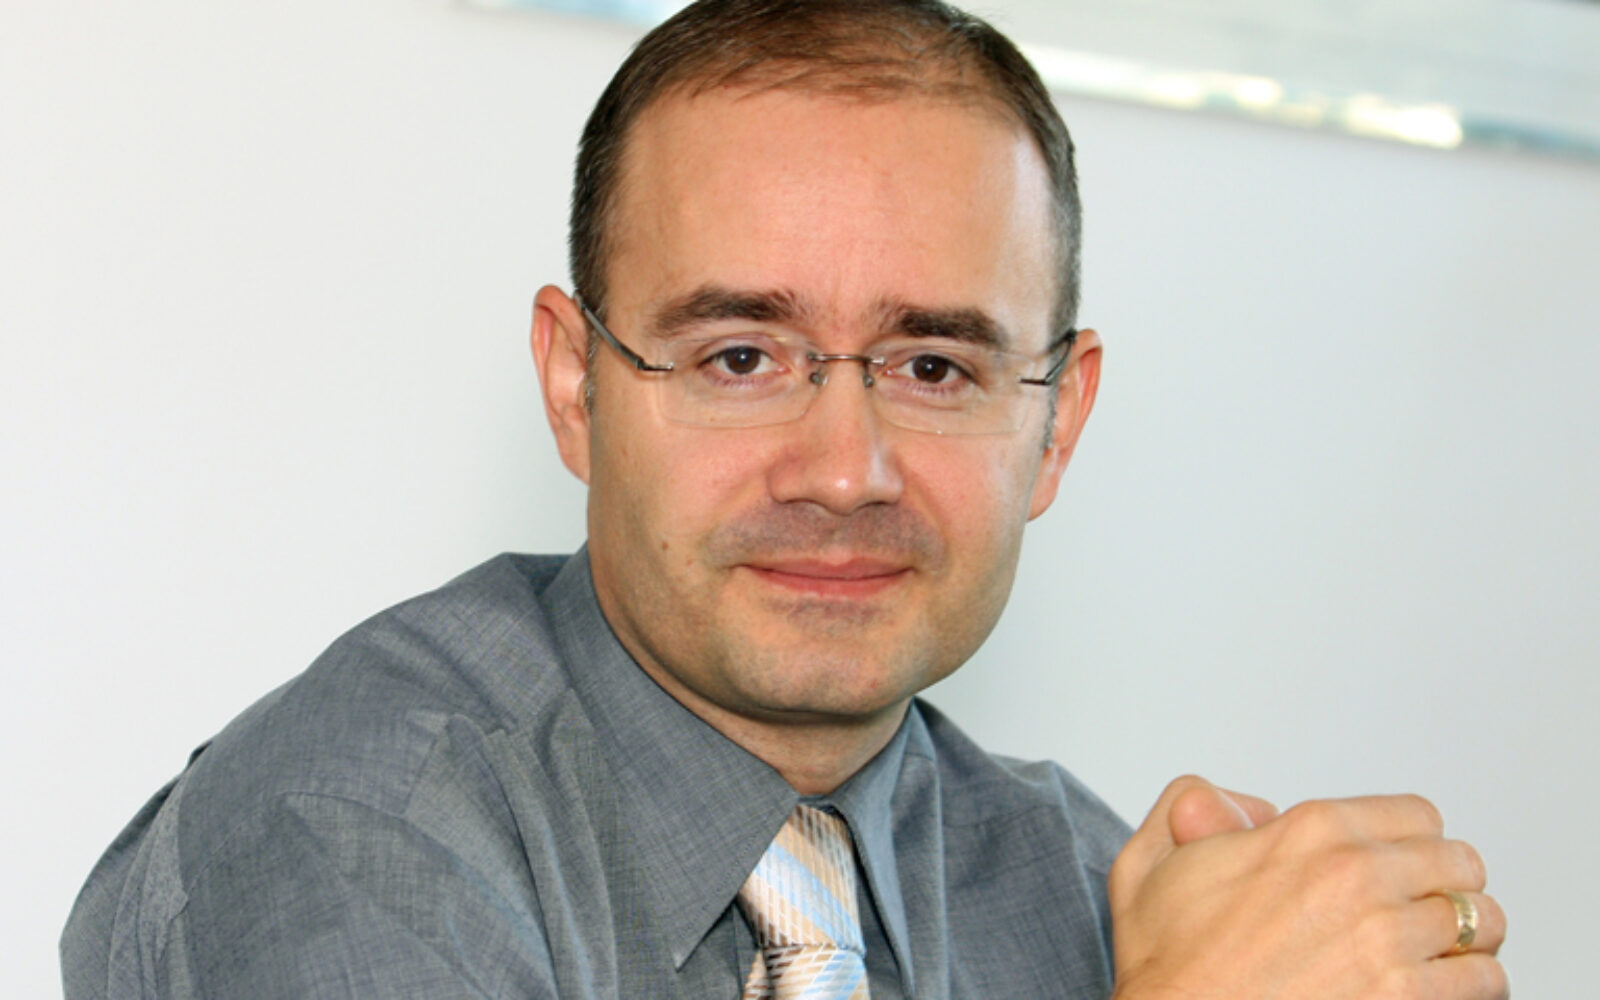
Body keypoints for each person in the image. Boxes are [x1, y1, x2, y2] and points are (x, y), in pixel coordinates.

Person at [61, 1, 1507, 997]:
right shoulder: (350, 823)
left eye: (934, 366)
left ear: (1056, 423)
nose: (843, 472)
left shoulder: (1085, 883)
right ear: (576, 386)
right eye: (740, 356)